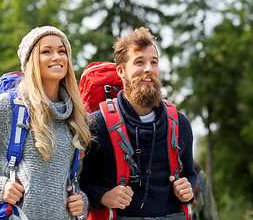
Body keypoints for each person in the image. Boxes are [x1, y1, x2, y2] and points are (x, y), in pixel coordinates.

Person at [0, 26, 91, 219]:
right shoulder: (7, 107)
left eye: (62, 51)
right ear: (30, 61)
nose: (57, 57)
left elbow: (73, 179)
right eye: (46, 51)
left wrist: (81, 200)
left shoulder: (77, 117)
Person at [80, 27, 197, 219]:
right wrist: (103, 196)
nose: (149, 69)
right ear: (121, 71)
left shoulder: (180, 123)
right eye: (139, 62)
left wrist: (188, 187)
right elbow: (78, 181)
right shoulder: (97, 124)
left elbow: (190, 174)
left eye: (154, 62)